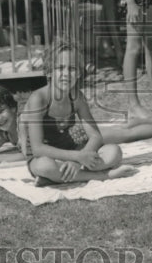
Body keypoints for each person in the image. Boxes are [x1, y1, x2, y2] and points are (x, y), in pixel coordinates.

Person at [19, 40, 138, 185]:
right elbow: (38, 149)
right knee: (45, 167)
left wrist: (78, 159)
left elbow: (95, 136)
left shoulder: (77, 97)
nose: (66, 74)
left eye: (72, 69)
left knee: (114, 152)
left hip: (71, 151)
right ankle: (104, 176)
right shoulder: (39, 98)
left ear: (79, 73)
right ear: (49, 71)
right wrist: (78, 157)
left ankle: (57, 178)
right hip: (45, 157)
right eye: (60, 68)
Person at [0, 81, 152, 165]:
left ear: (13, 108)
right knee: (121, 130)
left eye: (1, 111)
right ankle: (135, 121)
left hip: (77, 137)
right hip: (68, 140)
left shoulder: (23, 122)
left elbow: (26, 154)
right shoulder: (4, 131)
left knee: (126, 135)